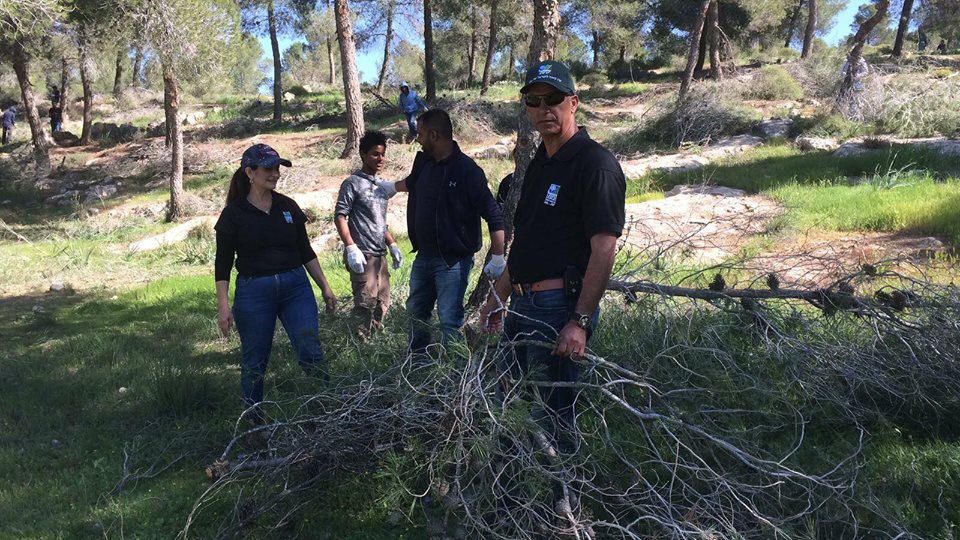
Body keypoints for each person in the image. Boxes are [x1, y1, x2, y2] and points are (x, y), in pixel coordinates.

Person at [479, 60, 626, 456]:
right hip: (522, 306)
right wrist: (497, 298)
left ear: (573, 102)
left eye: (554, 99)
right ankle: (513, 489)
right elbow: (526, 243)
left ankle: (563, 491)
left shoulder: (595, 164)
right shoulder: (538, 166)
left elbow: (604, 249)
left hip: (559, 307)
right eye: (534, 100)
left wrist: (579, 322)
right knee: (511, 409)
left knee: (553, 420)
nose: (544, 108)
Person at [214, 143, 337, 418]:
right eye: (268, 168)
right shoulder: (234, 213)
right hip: (254, 292)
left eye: (278, 168)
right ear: (250, 172)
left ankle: (328, 412)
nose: (275, 174)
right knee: (255, 361)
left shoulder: (287, 206)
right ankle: (253, 422)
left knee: (310, 350)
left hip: (296, 288)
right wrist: (223, 307)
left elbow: (305, 250)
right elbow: (222, 264)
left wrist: (325, 287)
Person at [381, 109, 506, 357]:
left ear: (434, 135)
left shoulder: (467, 171)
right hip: (423, 256)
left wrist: (498, 257)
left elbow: (493, 214)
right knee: (416, 312)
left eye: (420, 134)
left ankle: (455, 369)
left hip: (453, 261)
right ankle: (417, 363)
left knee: (449, 318)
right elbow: (412, 182)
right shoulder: (424, 163)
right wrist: (389, 187)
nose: (417, 139)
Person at [334, 130, 404, 337]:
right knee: (365, 304)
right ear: (363, 154)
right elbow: (340, 216)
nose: (380, 159)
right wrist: (351, 247)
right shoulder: (352, 183)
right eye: (375, 154)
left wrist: (392, 245)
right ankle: (358, 345)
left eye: (383, 154)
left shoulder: (381, 186)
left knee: (383, 304)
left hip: (380, 255)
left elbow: (379, 221)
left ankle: (374, 343)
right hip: (362, 254)